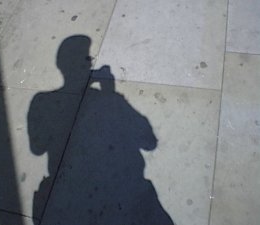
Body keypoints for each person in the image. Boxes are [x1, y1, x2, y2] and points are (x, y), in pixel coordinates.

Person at [28, 35, 174, 225]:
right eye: (88, 59)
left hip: (70, 204)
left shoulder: (41, 101)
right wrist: (109, 93)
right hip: (123, 199)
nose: (89, 64)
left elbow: (37, 148)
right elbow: (149, 142)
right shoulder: (110, 100)